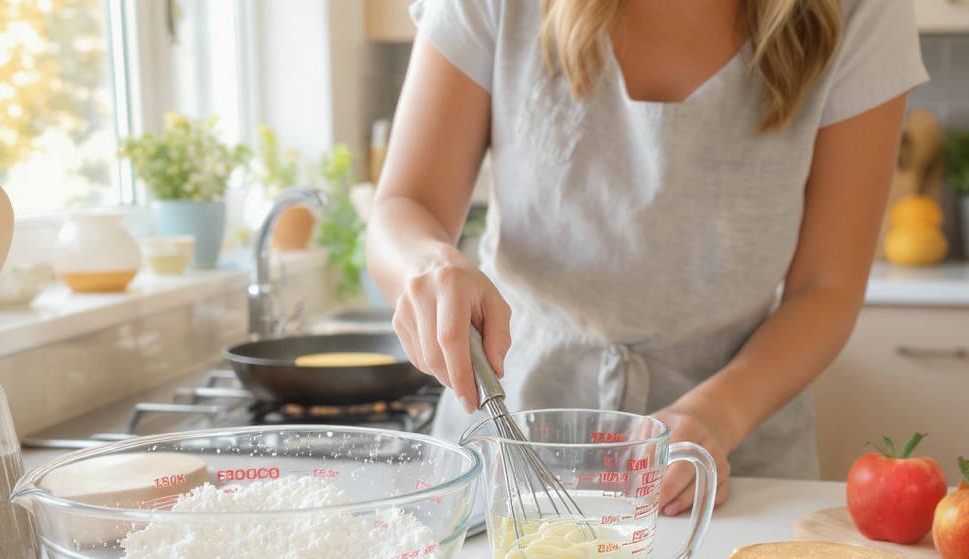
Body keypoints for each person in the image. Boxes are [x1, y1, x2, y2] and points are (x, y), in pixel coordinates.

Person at [366, 0, 927, 512]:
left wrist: (713, 417)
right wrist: (429, 263)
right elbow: (404, 205)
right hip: (505, 452)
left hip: (730, 471)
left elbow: (826, 287)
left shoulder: (860, 11)